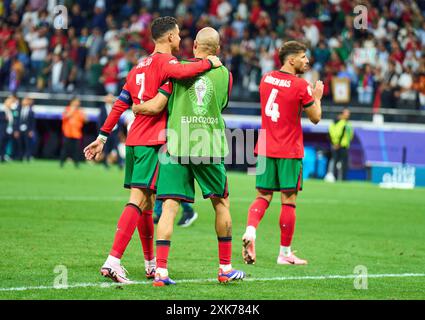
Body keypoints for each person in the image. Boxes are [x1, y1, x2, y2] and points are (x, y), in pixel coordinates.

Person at [83, 16, 222, 284]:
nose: (181, 39)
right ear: (169, 37)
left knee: (146, 205)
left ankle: (150, 264)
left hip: (134, 141)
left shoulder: (138, 66)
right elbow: (183, 73)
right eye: (179, 35)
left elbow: (121, 103)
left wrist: (102, 136)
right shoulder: (167, 63)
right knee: (138, 200)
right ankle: (113, 260)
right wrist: (209, 62)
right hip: (153, 142)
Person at [133, 27, 245, 286]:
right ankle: (225, 268)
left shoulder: (175, 69)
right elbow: (222, 105)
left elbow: (159, 105)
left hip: (176, 145)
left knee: (169, 208)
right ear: (217, 50)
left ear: (194, 45)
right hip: (208, 146)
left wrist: (135, 106)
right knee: (221, 203)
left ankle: (160, 271)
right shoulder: (225, 75)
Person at [241, 41, 323, 266]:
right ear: (291, 60)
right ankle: (285, 253)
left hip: (265, 147)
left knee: (262, 196)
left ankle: (250, 231)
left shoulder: (265, 79)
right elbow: (316, 118)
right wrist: (317, 96)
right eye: (304, 57)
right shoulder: (300, 85)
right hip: (289, 149)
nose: (307, 61)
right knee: (289, 200)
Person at [325, 108, 354, 182]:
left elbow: (350, 135)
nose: (347, 115)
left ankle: (343, 179)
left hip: (345, 146)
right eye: (346, 113)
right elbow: (337, 134)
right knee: (335, 162)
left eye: (348, 113)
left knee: (344, 164)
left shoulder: (348, 124)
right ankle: (334, 178)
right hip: (338, 146)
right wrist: (336, 144)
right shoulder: (340, 123)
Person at [97, 93, 123, 169]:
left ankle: (120, 164)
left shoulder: (116, 107)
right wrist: (101, 132)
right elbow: (100, 121)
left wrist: (120, 131)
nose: (110, 99)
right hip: (106, 132)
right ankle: (105, 164)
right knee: (106, 148)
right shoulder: (102, 108)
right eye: (108, 97)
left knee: (117, 148)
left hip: (115, 131)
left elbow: (119, 120)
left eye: (111, 97)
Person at [60, 97, 86, 168]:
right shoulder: (67, 109)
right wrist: (72, 110)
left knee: (76, 150)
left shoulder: (80, 111)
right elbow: (65, 117)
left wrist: (83, 113)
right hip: (67, 133)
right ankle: (61, 162)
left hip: (77, 134)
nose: (78, 103)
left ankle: (76, 164)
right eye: (76, 102)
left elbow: (86, 120)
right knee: (65, 149)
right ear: (72, 102)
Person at [14, 97, 36, 161]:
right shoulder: (19, 109)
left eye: (26, 101)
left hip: (27, 130)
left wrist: (31, 131)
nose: (25, 102)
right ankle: (20, 157)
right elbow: (16, 121)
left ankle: (28, 157)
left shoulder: (31, 111)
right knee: (20, 143)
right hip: (19, 129)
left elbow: (33, 122)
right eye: (24, 100)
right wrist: (16, 130)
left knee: (27, 144)